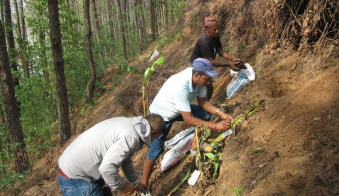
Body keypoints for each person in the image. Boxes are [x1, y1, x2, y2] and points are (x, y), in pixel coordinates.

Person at [142, 58, 233, 189]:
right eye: (207, 79)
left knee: (205, 114)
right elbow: (188, 120)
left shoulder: (199, 79)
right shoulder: (181, 85)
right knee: (155, 152)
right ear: (197, 75)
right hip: (161, 116)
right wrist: (216, 126)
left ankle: (195, 146)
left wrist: (220, 113)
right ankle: (144, 186)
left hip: (177, 109)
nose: (208, 82)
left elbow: (203, 103)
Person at [58, 114, 165, 196]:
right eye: (156, 137)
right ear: (152, 131)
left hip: (73, 170)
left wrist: (136, 183)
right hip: (76, 178)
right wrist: (123, 186)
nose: (154, 140)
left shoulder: (130, 125)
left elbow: (125, 160)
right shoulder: (131, 136)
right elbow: (106, 168)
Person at [189, 16, 241, 99]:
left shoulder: (215, 37)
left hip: (205, 65)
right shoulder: (204, 42)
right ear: (207, 29)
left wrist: (232, 58)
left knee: (208, 87)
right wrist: (228, 64)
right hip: (195, 67)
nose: (217, 31)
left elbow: (221, 51)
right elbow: (211, 62)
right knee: (193, 87)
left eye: (218, 29)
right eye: (214, 30)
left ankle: (203, 105)